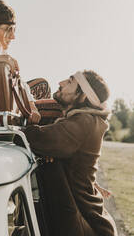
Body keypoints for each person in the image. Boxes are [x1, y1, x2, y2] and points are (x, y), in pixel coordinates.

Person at [15, 70, 118, 236]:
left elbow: (35, 138)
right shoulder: (88, 120)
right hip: (82, 219)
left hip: (81, 224)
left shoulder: (84, 122)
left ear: (83, 96)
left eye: (70, 82)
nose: (61, 82)